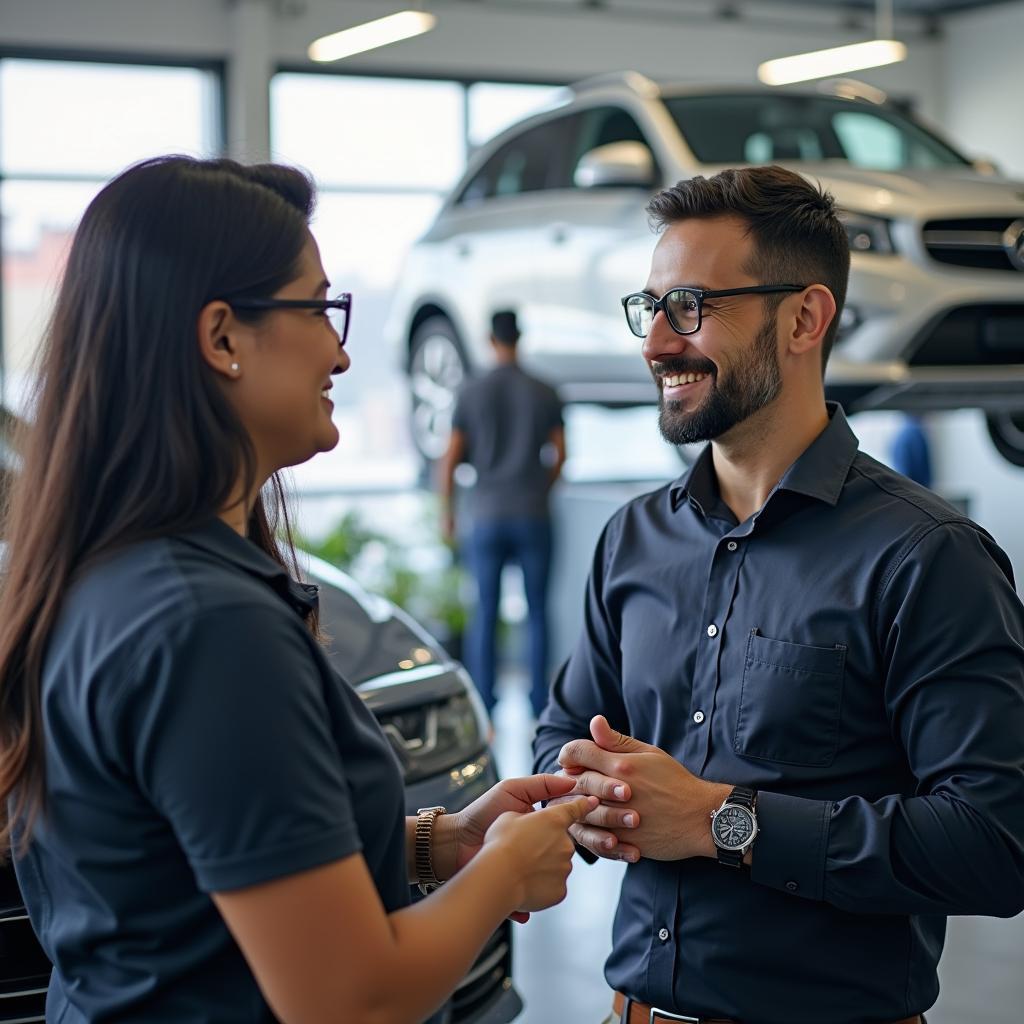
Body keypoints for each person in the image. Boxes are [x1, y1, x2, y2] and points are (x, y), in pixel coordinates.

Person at [0, 156, 596, 1024]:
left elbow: (195, 854)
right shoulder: (207, 626)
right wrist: (508, 867)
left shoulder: (114, 571)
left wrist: (441, 842)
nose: (342, 350)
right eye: (319, 308)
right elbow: (347, 1003)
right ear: (223, 338)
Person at [532, 165, 1024, 1024]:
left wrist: (721, 821)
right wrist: (593, 803)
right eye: (650, 308)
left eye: (691, 306)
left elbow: (994, 844)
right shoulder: (631, 540)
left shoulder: (926, 557)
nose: (656, 344)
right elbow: (561, 734)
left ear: (805, 317)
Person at [440, 310, 565, 717]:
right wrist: (540, 488)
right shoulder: (544, 390)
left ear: (489, 340)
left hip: (488, 514)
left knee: (486, 611)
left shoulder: (471, 391)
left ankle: (484, 705)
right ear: (520, 337)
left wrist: (449, 514)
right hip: (533, 513)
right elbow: (560, 454)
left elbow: (450, 461)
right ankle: (538, 706)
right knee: (538, 611)